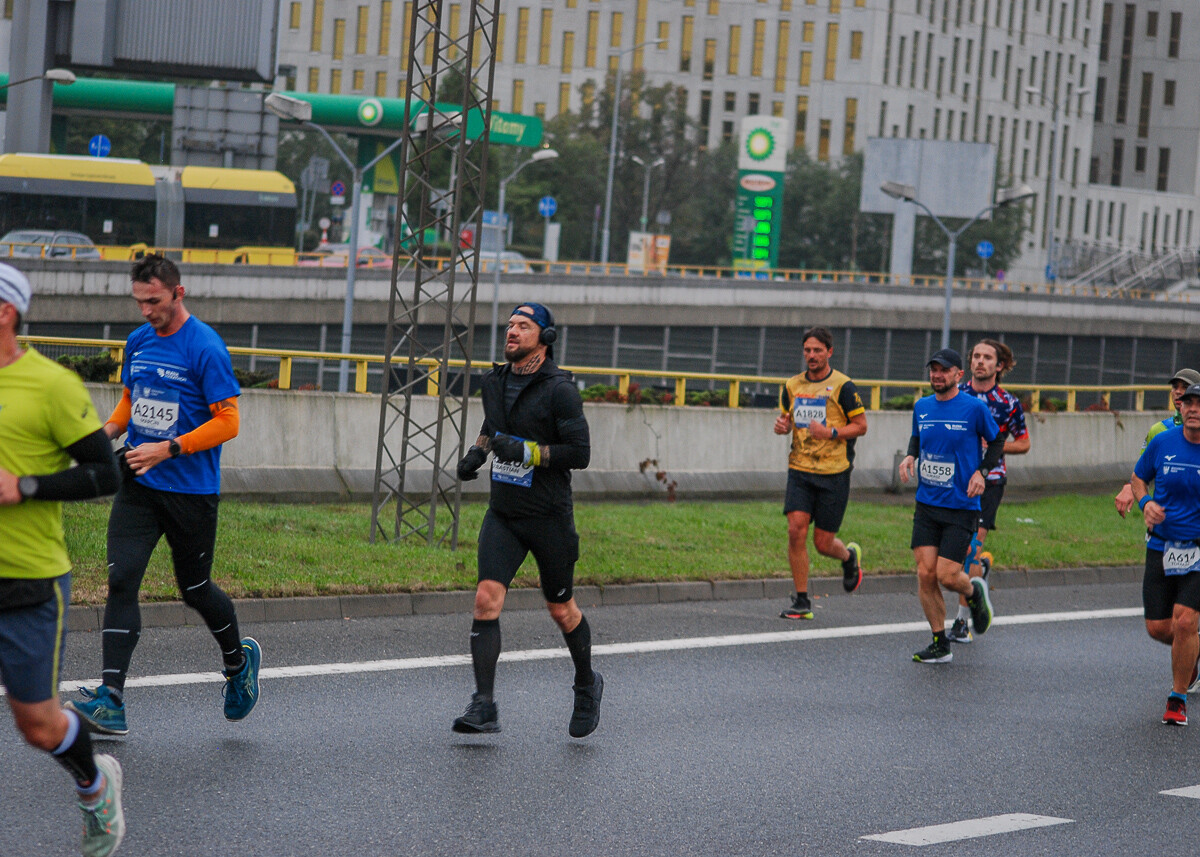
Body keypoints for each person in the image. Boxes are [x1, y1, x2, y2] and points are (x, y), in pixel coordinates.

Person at [68, 254, 260, 736]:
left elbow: (229, 421)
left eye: (153, 301)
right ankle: (111, 699)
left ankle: (238, 664)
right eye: (138, 302)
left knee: (194, 589)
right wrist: (102, 436)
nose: (145, 311)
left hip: (191, 491)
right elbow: (132, 403)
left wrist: (169, 449)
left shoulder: (206, 348)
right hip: (139, 482)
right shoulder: (138, 342)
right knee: (120, 580)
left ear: (179, 292)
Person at [0, 264, 126, 856]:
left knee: (38, 724)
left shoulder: (51, 386)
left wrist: (24, 487)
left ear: (6, 312)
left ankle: (95, 787)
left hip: (26, 582)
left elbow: (106, 473)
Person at [452, 303, 600, 737]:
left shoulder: (560, 390)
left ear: (545, 337)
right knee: (486, 598)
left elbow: (581, 454)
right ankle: (484, 705)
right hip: (504, 514)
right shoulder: (495, 381)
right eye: (510, 325)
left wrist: (530, 453)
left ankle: (587, 685)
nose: (512, 332)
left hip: (548, 516)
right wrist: (477, 453)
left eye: (523, 326)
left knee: (560, 608)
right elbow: (493, 424)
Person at [899, 348, 1003, 664]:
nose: (937, 375)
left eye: (943, 370)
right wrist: (910, 455)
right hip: (927, 503)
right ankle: (940, 643)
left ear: (958, 374)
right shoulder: (922, 407)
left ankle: (973, 593)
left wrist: (981, 472)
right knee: (925, 573)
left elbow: (997, 441)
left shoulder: (973, 408)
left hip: (961, 505)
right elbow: (918, 437)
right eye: (933, 370)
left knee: (947, 575)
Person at [772, 327, 868, 620]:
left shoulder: (843, 386)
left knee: (823, 543)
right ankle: (802, 600)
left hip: (834, 473)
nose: (811, 356)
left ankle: (849, 557)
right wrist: (783, 427)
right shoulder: (792, 385)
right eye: (807, 350)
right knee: (795, 531)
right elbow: (789, 420)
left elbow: (861, 426)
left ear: (829, 352)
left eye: (817, 350)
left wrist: (831, 432)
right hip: (800, 468)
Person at [946, 339, 1030, 643]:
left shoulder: (1007, 402)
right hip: (956, 481)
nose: (980, 362)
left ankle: (961, 622)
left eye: (987, 358)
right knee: (957, 553)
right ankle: (981, 568)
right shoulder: (957, 393)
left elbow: (1024, 442)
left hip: (991, 481)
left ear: (1000, 366)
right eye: (976, 356)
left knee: (969, 547)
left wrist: (994, 445)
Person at [1130, 383, 1200, 725]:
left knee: (1185, 620)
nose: (1193, 409)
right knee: (1159, 627)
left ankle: (1177, 698)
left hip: (1199, 549)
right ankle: (1191, 648)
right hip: (1162, 545)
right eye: (1188, 402)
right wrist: (1146, 503)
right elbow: (1138, 477)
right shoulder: (1162, 442)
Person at [1115, 368, 1200, 518]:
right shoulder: (1160, 431)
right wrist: (1130, 487)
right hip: (1165, 523)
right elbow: (1141, 471)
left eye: (1185, 387)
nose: (1178, 392)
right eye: (1175, 387)